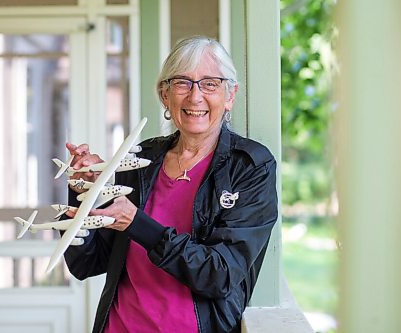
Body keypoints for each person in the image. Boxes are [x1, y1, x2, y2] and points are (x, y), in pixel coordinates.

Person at [63, 36, 278, 333]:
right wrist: (82, 193)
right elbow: (86, 264)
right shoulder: (141, 160)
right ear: (165, 96)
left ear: (230, 96)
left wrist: (137, 224)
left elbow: (221, 274)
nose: (195, 97)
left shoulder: (249, 167)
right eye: (182, 83)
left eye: (210, 84)